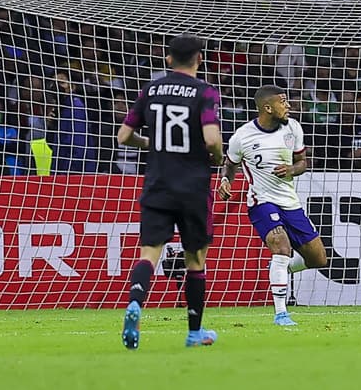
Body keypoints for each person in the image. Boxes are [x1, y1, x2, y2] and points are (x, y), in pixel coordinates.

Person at [115, 35, 225, 349]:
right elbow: (213, 139)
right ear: (199, 59)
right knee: (195, 259)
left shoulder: (150, 90)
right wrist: (216, 159)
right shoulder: (205, 92)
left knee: (149, 253)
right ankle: (193, 333)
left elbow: (123, 136)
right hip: (193, 187)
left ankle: (136, 302)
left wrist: (150, 144)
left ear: (167, 59)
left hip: (157, 184)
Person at [218, 85, 328, 327]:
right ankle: (281, 313)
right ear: (267, 107)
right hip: (261, 201)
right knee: (281, 245)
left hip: (290, 202)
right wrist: (226, 179)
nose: (288, 105)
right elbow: (230, 163)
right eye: (283, 101)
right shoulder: (242, 136)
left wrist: (292, 169)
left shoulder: (293, 128)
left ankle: (280, 267)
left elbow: (302, 162)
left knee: (319, 259)